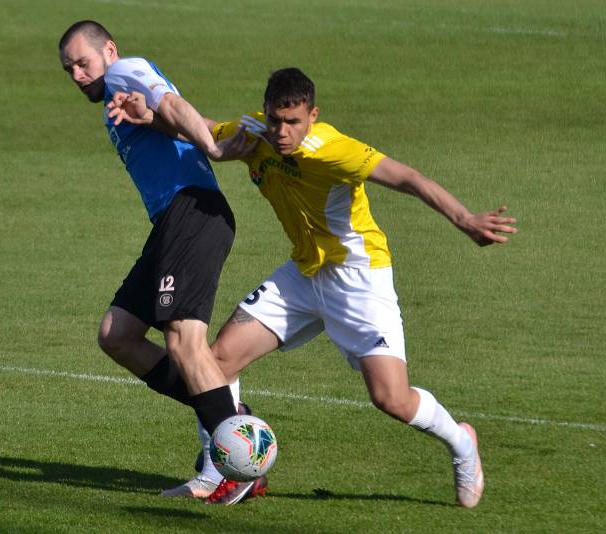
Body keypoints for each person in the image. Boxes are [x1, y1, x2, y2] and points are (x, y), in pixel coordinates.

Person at [106, 67, 517, 507]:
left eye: (294, 122)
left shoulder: (335, 150)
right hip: (302, 275)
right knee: (217, 362)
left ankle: (461, 443)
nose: (282, 133)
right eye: (275, 121)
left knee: (391, 398)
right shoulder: (257, 133)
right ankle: (229, 469)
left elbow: (408, 178)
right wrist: (151, 116)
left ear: (313, 116)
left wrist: (466, 220)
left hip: (359, 279)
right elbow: (205, 129)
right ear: (265, 112)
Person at [57, 20, 257, 491]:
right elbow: (176, 119)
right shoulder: (122, 98)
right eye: (69, 70)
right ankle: (232, 419)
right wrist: (219, 139)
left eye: (83, 63)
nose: (78, 76)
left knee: (184, 344)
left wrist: (210, 144)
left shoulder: (127, 69)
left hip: (192, 211)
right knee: (118, 334)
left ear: (109, 50)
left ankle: (231, 466)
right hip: (171, 223)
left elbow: (174, 105)